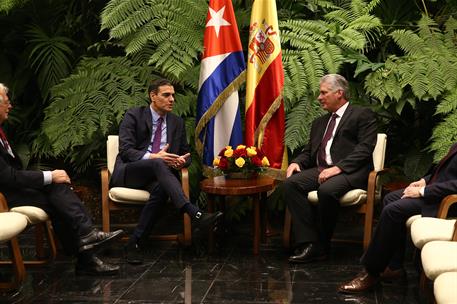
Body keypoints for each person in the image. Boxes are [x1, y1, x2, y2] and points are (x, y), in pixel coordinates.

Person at [0, 83, 123, 275]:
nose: (10, 106)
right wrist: (49, 176)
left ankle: (87, 241)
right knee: (59, 200)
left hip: (14, 189)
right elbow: (8, 176)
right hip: (5, 195)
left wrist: (51, 178)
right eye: (7, 102)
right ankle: (86, 248)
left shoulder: (1, 133)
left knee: (58, 190)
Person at [111, 78, 222, 265]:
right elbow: (126, 151)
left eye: (173, 96)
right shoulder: (134, 115)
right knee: (158, 162)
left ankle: (134, 243)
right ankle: (193, 213)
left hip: (159, 176)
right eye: (166, 95)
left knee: (161, 189)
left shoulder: (176, 122)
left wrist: (181, 162)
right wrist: (155, 157)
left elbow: (185, 154)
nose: (172, 99)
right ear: (153, 96)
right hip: (131, 172)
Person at [338, 142, 457, 293]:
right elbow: (444, 172)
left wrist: (423, 191)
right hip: (437, 193)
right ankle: (394, 267)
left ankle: (372, 271)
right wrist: (424, 181)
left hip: (446, 201)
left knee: (392, 211)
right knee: (390, 198)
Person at [283, 74, 377, 264]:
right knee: (290, 184)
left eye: (324, 93)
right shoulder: (320, 123)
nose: (319, 97)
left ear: (339, 93)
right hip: (321, 169)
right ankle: (310, 242)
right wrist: (297, 163)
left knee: (327, 190)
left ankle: (323, 245)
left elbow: (365, 149)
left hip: (351, 172)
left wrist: (338, 168)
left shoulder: (361, 114)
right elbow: (309, 152)